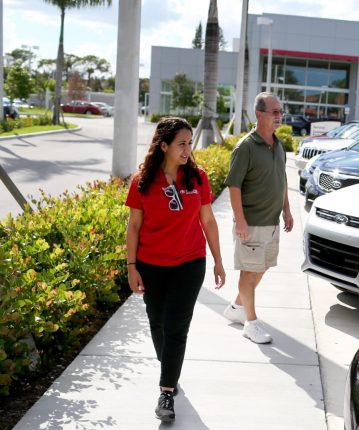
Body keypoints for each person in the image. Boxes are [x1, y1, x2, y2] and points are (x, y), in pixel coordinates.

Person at [125, 117, 226, 422]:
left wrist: (218, 260)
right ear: (164, 146)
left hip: (189, 263)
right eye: (181, 143)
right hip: (151, 264)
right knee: (157, 322)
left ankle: (166, 392)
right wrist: (131, 266)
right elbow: (134, 226)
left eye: (190, 143)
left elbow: (208, 221)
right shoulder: (143, 180)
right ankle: (170, 368)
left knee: (176, 327)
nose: (187, 149)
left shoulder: (198, 178)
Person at [222, 92, 294, 343]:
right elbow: (234, 186)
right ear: (259, 114)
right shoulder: (246, 147)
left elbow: (282, 178)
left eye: (280, 111)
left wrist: (287, 209)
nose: (279, 116)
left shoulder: (278, 145)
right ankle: (250, 323)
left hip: (271, 222)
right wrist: (239, 220)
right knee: (248, 272)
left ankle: (236, 307)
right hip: (251, 222)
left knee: (261, 268)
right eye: (274, 112)